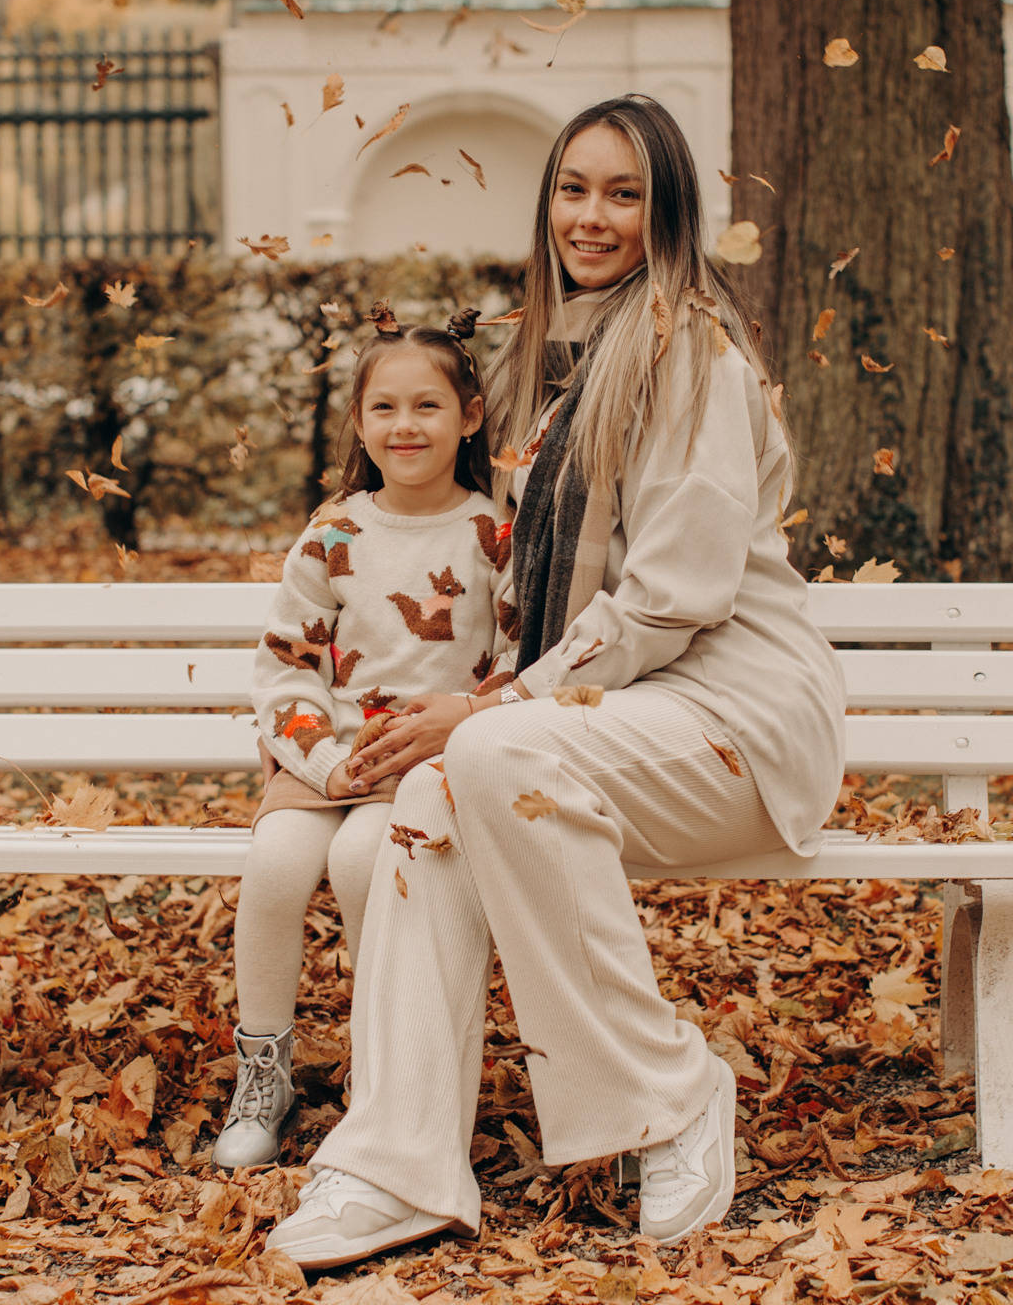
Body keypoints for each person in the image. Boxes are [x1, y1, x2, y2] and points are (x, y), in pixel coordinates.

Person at [264, 95, 846, 1265]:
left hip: (733, 718)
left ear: (668, 212)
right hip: (600, 721)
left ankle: (673, 1091)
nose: (592, 216)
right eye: (574, 189)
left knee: (485, 755)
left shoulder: (694, 356)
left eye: (624, 194)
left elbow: (675, 599)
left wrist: (484, 709)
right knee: (428, 805)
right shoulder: (547, 356)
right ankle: (396, 1159)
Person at [217, 318, 515, 1168]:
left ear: (470, 416)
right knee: (274, 865)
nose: (404, 424)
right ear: (358, 419)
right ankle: (263, 1074)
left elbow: (515, 663)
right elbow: (285, 665)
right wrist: (318, 757)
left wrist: (457, 720)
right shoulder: (335, 534)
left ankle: (380, 1081)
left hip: (425, 766)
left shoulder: (491, 533)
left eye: (427, 404)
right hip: (327, 763)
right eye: (383, 405)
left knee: (361, 866)